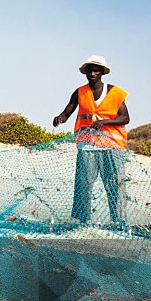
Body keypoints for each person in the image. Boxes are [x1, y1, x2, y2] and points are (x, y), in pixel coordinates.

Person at [52, 55, 130, 227]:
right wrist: (60, 118)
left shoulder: (115, 92)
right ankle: (81, 221)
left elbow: (125, 118)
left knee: (114, 185)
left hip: (112, 145)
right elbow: (67, 112)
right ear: (85, 72)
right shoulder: (79, 92)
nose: (93, 73)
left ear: (102, 72)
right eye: (90, 70)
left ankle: (119, 221)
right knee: (83, 183)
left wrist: (104, 122)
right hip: (87, 144)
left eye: (96, 70)